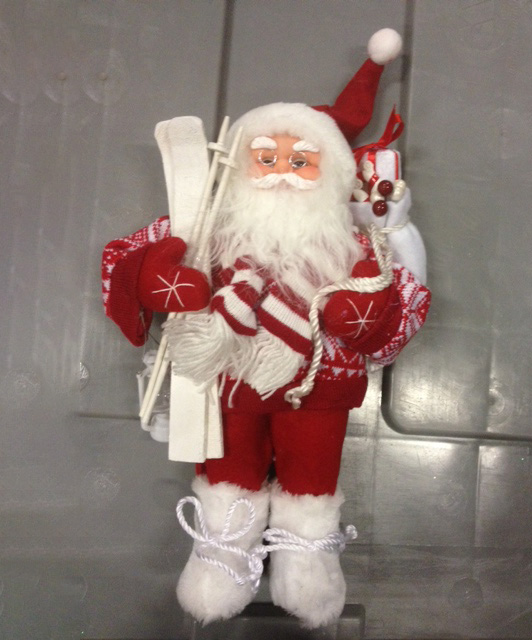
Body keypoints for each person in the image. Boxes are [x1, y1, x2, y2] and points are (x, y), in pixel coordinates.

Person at [101, 30, 430, 628]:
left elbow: (403, 305)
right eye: (268, 158)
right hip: (230, 380)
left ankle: (308, 562)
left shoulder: (354, 246)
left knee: (313, 477)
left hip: (319, 389)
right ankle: (221, 553)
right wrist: (155, 276)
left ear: (330, 172)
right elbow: (124, 259)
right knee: (228, 468)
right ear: (239, 163)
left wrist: (369, 318)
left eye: (301, 161)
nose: (283, 173)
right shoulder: (207, 228)